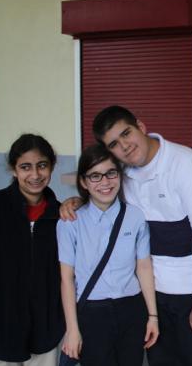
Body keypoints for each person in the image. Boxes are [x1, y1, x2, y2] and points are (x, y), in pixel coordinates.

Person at [60, 106, 192, 366]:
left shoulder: (185, 164)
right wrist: (75, 202)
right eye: (114, 144)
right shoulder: (123, 174)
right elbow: (99, 192)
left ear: (141, 125)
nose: (125, 146)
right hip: (154, 295)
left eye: (127, 133)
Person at [0, 134, 65, 365]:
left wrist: (57, 319)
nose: (35, 175)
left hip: (44, 336)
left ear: (52, 167)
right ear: (13, 170)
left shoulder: (61, 216)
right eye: (25, 167)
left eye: (42, 166)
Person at [57, 144, 159, 365]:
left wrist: (153, 316)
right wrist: (72, 329)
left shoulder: (135, 216)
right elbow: (67, 279)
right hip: (92, 313)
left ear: (119, 175)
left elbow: (143, 267)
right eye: (95, 176)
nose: (105, 182)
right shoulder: (70, 222)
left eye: (111, 173)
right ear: (83, 182)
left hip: (131, 309)